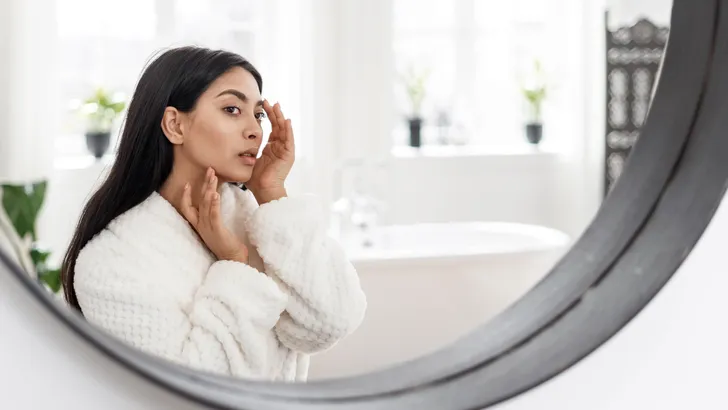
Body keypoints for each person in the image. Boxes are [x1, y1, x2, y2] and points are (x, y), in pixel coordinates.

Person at [60, 46, 367, 382]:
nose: (255, 130)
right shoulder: (113, 261)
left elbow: (331, 322)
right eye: (232, 109)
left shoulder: (254, 219)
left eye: (258, 114)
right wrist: (235, 263)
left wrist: (271, 193)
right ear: (175, 124)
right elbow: (188, 391)